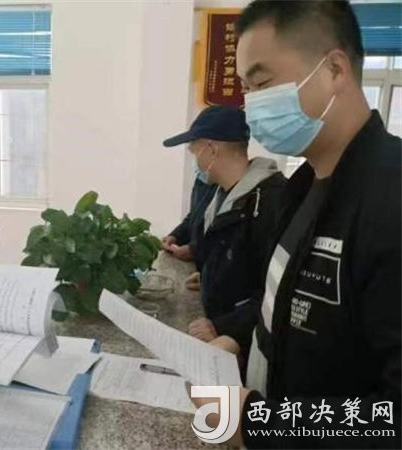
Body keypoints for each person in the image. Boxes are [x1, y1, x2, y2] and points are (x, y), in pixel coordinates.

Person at [191, 2, 401, 448]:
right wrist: (237, 338)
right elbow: (284, 304)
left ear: (335, 70)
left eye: (263, 84)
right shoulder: (301, 188)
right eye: (246, 89)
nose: (251, 106)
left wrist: (256, 422)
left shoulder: (391, 199)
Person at [165, 105, 286, 352]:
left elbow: (278, 292)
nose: (195, 161)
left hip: (247, 347)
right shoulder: (223, 194)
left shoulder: (271, 203)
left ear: (211, 149)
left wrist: (225, 327)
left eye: (194, 151)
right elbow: (239, 262)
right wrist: (213, 278)